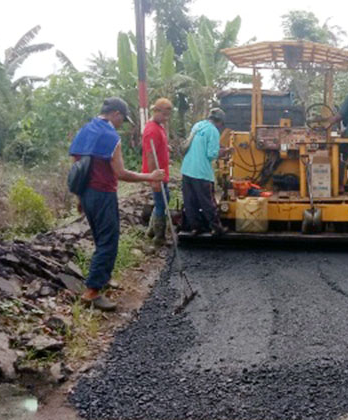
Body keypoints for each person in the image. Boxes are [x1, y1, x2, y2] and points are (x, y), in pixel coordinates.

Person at [69, 97, 164, 311]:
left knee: (100, 237)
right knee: (108, 241)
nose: (122, 124)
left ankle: (104, 277)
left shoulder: (85, 130)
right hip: (102, 194)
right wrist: (150, 176)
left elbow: (77, 166)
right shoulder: (111, 136)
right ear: (116, 114)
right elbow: (121, 173)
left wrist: (79, 197)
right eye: (123, 119)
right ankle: (92, 292)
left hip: (86, 193)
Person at [180, 108, 230, 235]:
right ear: (219, 122)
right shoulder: (213, 131)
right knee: (207, 201)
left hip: (187, 169)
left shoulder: (197, 125)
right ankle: (216, 228)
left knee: (190, 201)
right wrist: (223, 152)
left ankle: (196, 227)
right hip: (201, 172)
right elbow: (211, 154)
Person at [142, 98, 173, 245]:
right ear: (156, 111)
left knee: (165, 198)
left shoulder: (159, 126)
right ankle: (158, 237)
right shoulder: (152, 130)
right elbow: (149, 155)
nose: (166, 118)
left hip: (162, 172)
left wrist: (166, 149)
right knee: (161, 203)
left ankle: (151, 231)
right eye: (164, 115)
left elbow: (159, 146)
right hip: (157, 174)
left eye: (168, 115)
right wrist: (154, 178)